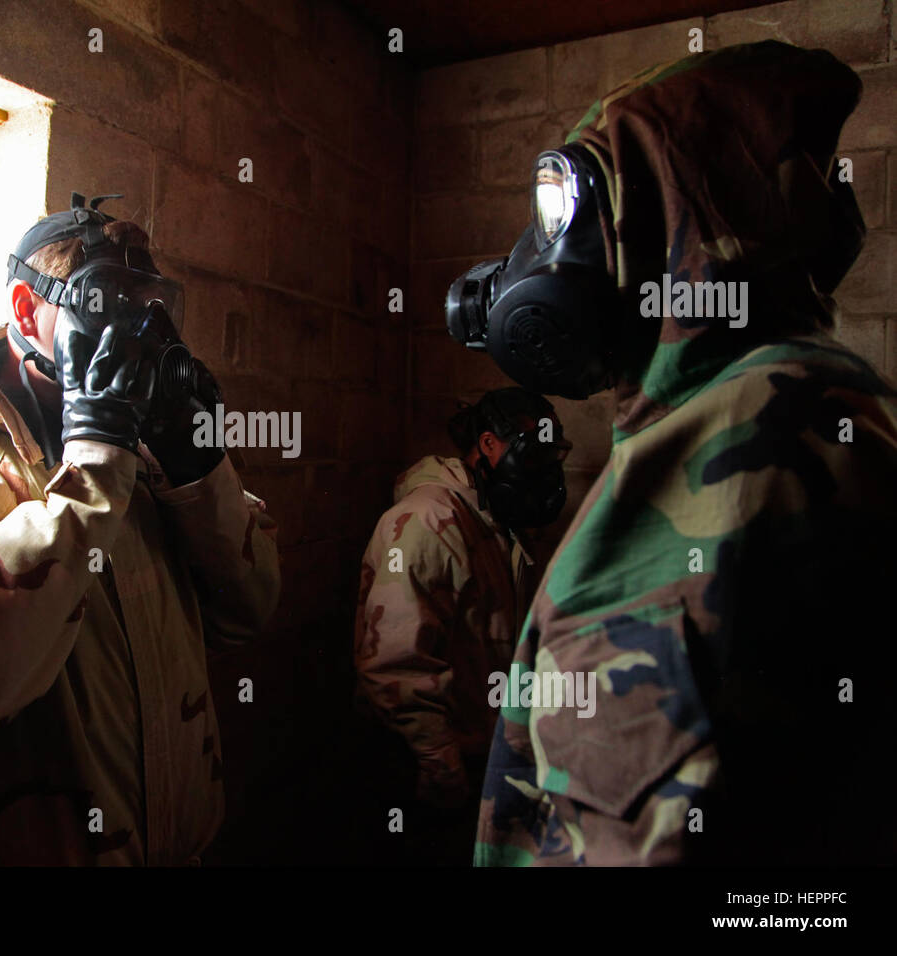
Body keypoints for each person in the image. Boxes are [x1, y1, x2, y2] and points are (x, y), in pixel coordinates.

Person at [449, 41, 897, 865]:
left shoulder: (751, 449)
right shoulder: (822, 411)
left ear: (667, 214)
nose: (551, 256)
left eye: (570, 208)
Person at [0, 192, 280, 865]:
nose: (137, 327)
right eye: (107, 299)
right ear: (26, 309)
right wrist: (94, 465)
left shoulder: (147, 470)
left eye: (149, 304)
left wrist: (198, 471)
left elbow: (249, 612)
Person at [351, 387, 570, 862]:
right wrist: (441, 767)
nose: (545, 469)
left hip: (479, 760)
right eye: (534, 451)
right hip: (427, 770)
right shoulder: (427, 521)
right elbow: (393, 664)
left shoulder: (498, 522)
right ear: (489, 445)